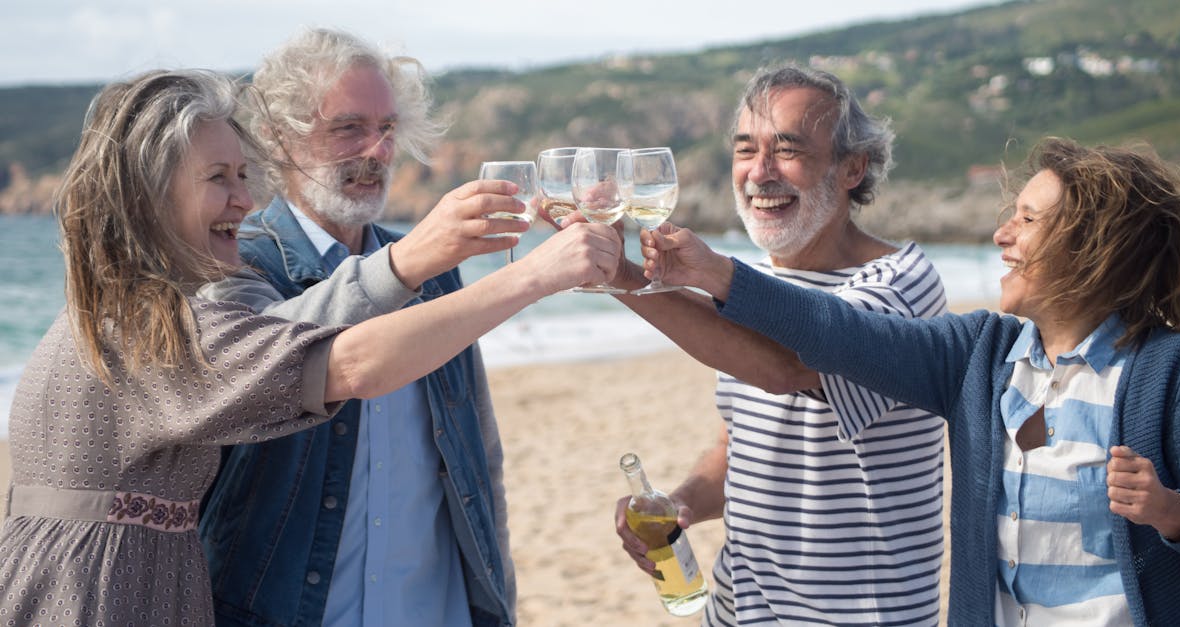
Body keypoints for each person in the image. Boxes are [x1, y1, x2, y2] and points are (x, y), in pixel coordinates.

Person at [0, 69, 619, 626]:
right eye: (218, 177)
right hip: (92, 600)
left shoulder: (130, 306)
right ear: (146, 195)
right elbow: (342, 360)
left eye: (242, 174)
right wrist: (530, 276)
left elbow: (474, 459)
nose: (244, 199)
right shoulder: (149, 326)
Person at [643, 136, 1180, 625]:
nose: (1001, 233)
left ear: (1097, 248)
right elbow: (836, 332)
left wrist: (1171, 513)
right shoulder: (978, 355)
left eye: (1028, 220)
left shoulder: (1174, 371)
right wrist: (715, 272)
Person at [194, 28, 542, 627]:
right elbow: (262, 368)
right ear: (279, 138)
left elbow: (478, 462)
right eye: (348, 128)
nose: (378, 151)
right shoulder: (237, 262)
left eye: (387, 130)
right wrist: (416, 262)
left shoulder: (434, 271)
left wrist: (497, 605)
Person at [604, 66, 950, 625]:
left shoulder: (902, 283)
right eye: (746, 151)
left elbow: (790, 365)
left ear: (852, 168)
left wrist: (625, 275)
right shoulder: (760, 285)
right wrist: (685, 501)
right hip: (738, 610)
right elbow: (739, 441)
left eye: (787, 150)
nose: (759, 173)